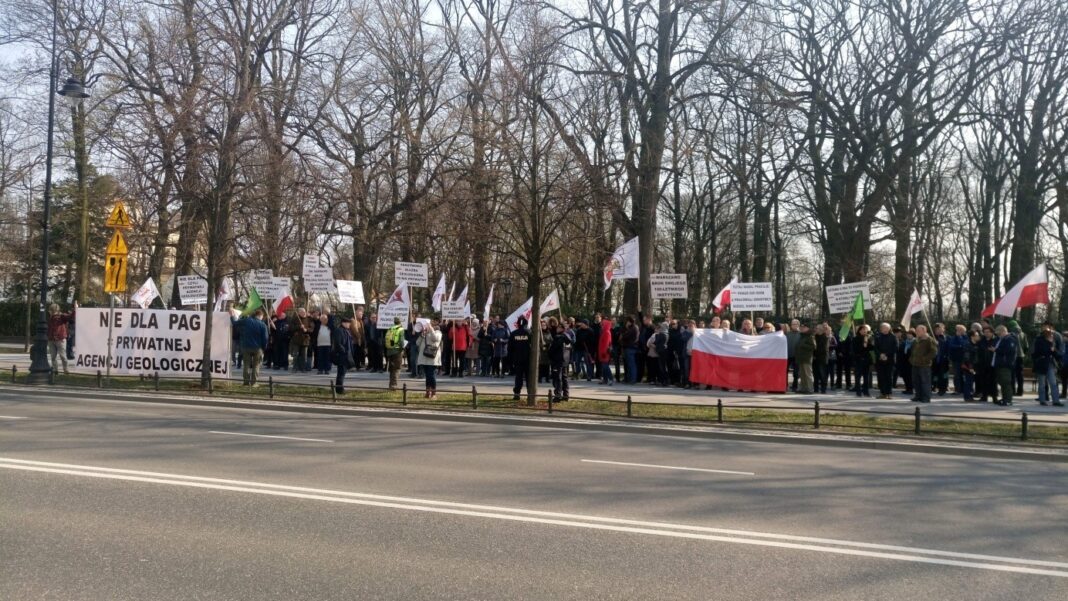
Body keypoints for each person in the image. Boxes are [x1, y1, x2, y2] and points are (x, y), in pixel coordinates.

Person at [231, 308, 269, 386]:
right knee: (256, 365)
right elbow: (265, 338)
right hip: (257, 348)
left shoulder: (246, 321)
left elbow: (234, 323)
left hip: (246, 346)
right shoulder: (263, 325)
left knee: (246, 365)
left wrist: (232, 316)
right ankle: (254, 383)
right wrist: (264, 348)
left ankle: (246, 382)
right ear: (260, 315)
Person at [1032, 322, 1063, 406]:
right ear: (1047, 335)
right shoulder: (1039, 340)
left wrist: (1055, 352)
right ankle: (1042, 400)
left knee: (1053, 382)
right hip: (1041, 364)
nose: (1052, 336)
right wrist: (1050, 347)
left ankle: (1056, 400)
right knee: (1042, 383)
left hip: (1050, 364)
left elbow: (1055, 353)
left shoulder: (1051, 341)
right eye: (1051, 335)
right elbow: (1039, 352)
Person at [909, 324, 937, 403]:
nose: (917, 332)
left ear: (924, 331)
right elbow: (912, 350)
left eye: (918, 331)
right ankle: (918, 396)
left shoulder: (929, 340)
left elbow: (934, 352)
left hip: (924, 365)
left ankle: (926, 397)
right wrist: (911, 359)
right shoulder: (916, 340)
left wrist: (924, 359)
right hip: (915, 364)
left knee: (925, 382)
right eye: (916, 331)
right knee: (916, 381)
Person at [416, 319, 442, 399]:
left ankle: (434, 393)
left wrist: (431, 330)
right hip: (424, 358)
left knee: (431, 375)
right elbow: (417, 343)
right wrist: (421, 335)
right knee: (427, 376)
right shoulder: (425, 333)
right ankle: (427, 392)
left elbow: (435, 339)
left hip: (432, 359)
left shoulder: (438, 333)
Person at [47, 302, 75, 374]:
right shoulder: (51, 318)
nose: (49, 312)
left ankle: (66, 369)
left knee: (63, 356)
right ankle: (55, 370)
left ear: (53, 310)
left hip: (60, 339)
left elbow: (71, 317)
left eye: (50, 310)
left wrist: (75, 309)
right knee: (53, 356)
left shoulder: (62, 316)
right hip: (51, 339)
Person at [548, 319, 572, 402]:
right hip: (565, 360)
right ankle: (566, 394)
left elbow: (553, 349)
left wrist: (549, 353)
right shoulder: (567, 337)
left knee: (557, 378)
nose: (557, 329)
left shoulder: (559, 338)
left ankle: (558, 395)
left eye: (558, 327)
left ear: (561, 328)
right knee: (564, 378)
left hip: (558, 360)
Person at [508, 317, 532, 401]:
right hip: (528, 359)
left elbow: (509, 348)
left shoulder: (514, 333)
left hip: (517, 359)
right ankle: (530, 394)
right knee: (529, 378)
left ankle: (517, 394)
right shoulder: (529, 333)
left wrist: (510, 360)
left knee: (518, 377)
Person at [993, 325, 1017, 406]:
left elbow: (1009, 350)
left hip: (1006, 364)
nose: (998, 335)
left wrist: (996, 350)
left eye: (999, 333)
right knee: (1002, 382)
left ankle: (1008, 400)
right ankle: (1005, 398)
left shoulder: (1010, 339)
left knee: (1006, 382)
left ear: (1003, 331)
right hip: (1000, 364)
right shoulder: (1002, 339)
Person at [874, 323, 898, 399]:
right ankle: (882, 393)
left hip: (890, 360)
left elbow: (896, 348)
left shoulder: (893, 337)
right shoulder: (878, 337)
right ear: (881, 329)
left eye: (886, 328)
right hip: (880, 360)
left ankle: (889, 393)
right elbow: (875, 348)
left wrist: (886, 354)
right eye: (883, 328)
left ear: (889, 328)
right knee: (881, 377)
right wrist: (880, 354)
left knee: (889, 377)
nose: (885, 329)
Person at [332, 316, 355, 394]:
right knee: (341, 373)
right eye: (348, 323)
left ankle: (340, 388)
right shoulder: (339, 331)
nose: (349, 325)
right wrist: (344, 351)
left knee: (343, 373)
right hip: (342, 355)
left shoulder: (346, 331)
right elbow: (338, 343)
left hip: (346, 355)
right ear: (343, 323)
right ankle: (339, 390)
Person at [976, 325, 999, 404]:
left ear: (992, 332)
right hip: (983, 363)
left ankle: (994, 397)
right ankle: (984, 396)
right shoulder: (981, 341)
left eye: (988, 332)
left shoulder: (996, 340)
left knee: (993, 381)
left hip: (993, 364)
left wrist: (995, 350)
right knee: (983, 380)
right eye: (985, 332)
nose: (986, 334)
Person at [384, 316, 406, 391]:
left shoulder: (390, 328)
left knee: (392, 368)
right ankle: (394, 386)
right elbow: (402, 341)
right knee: (397, 368)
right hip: (397, 351)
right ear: (400, 322)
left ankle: (390, 385)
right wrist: (402, 349)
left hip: (390, 351)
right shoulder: (401, 329)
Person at [946, 324, 968, 396]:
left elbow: (965, 344)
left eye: (960, 330)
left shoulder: (966, 337)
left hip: (965, 359)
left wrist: (960, 340)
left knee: (965, 375)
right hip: (956, 359)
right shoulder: (953, 338)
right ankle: (958, 389)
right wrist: (960, 346)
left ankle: (965, 389)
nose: (958, 331)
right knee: (957, 375)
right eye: (957, 330)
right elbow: (951, 346)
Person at [1008, 320, 1028, 396]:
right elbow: (1026, 347)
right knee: (1020, 374)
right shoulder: (1023, 334)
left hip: (1013, 356)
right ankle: (1020, 391)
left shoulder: (1010, 334)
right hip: (1021, 356)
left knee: (1012, 374)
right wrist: (1023, 354)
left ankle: (1012, 390)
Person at [290, 308, 313, 372]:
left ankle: (303, 368)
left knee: (304, 356)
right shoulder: (295, 319)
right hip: (296, 340)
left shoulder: (309, 319)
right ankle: (295, 368)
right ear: (299, 313)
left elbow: (312, 328)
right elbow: (291, 328)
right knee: (296, 355)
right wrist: (299, 326)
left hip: (305, 340)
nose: (303, 313)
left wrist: (307, 329)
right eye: (302, 312)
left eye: (304, 312)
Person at [852, 324, 873, 397]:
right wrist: (863, 345)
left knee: (866, 376)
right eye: (863, 330)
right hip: (859, 360)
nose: (864, 331)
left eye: (865, 330)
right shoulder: (855, 338)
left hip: (866, 360)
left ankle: (866, 391)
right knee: (858, 376)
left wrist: (869, 343)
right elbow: (855, 349)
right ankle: (858, 391)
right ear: (859, 331)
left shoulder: (868, 338)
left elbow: (871, 348)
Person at [795, 322, 815, 394]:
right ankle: (803, 388)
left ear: (808, 328)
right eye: (801, 327)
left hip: (807, 358)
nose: (802, 328)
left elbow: (813, 346)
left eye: (804, 327)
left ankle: (810, 389)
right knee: (802, 374)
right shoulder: (802, 336)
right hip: (801, 358)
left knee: (808, 374)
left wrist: (803, 345)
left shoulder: (810, 336)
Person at [961, 329, 980, 402]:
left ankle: (970, 396)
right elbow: (967, 357)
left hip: (975, 366)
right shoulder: (968, 344)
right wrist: (970, 367)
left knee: (971, 381)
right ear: (972, 336)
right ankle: (967, 397)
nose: (978, 337)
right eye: (977, 335)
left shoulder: (976, 344)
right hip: (968, 366)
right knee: (968, 381)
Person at [621, 316, 640, 384]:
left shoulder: (633, 328)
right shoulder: (635, 327)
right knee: (630, 364)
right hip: (631, 347)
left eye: (628, 321)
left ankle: (632, 379)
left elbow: (625, 336)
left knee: (631, 365)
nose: (627, 322)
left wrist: (623, 335)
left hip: (630, 347)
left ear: (630, 321)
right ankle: (630, 378)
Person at [813, 323, 829, 394]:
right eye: (816, 328)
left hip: (822, 358)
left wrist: (815, 352)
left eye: (817, 328)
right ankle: (815, 388)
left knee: (822, 374)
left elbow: (823, 349)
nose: (816, 329)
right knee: (815, 374)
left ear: (821, 330)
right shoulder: (814, 337)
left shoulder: (825, 337)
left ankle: (823, 389)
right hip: (815, 358)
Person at [598, 316, 614, 385]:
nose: (601, 326)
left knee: (605, 367)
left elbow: (606, 344)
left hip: (605, 353)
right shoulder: (604, 332)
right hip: (602, 352)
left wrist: (604, 352)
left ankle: (610, 379)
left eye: (602, 325)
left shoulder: (606, 332)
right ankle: (605, 379)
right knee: (604, 367)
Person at [786, 319, 801, 391]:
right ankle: (785, 385)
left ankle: (795, 386)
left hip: (797, 356)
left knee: (796, 372)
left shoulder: (801, 334)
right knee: (785, 371)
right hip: (788, 355)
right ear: (791, 326)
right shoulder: (787, 334)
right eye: (793, 324)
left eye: (795, 324)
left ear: (798, 325)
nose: (794, 326)